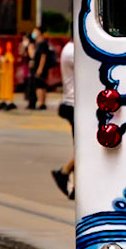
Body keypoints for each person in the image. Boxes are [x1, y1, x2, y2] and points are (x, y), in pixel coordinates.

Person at [52, 38, 74, 199]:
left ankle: (75, 186)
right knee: (87, 148)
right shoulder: (73, 52)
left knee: (83, 147)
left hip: (71, 103)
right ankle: (64, 172)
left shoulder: (69, 48)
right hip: (74, 105)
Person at [24, 29, 52, 110]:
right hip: (37, 67)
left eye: (35, 31)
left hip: (40, 67)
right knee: (41, 85)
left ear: (39, 32)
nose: (34, 33)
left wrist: (40, 68)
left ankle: (41, 103)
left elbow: (43, 57)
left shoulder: (42, 44)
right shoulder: (36, 43)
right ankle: (42, 103)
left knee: (39, 85)